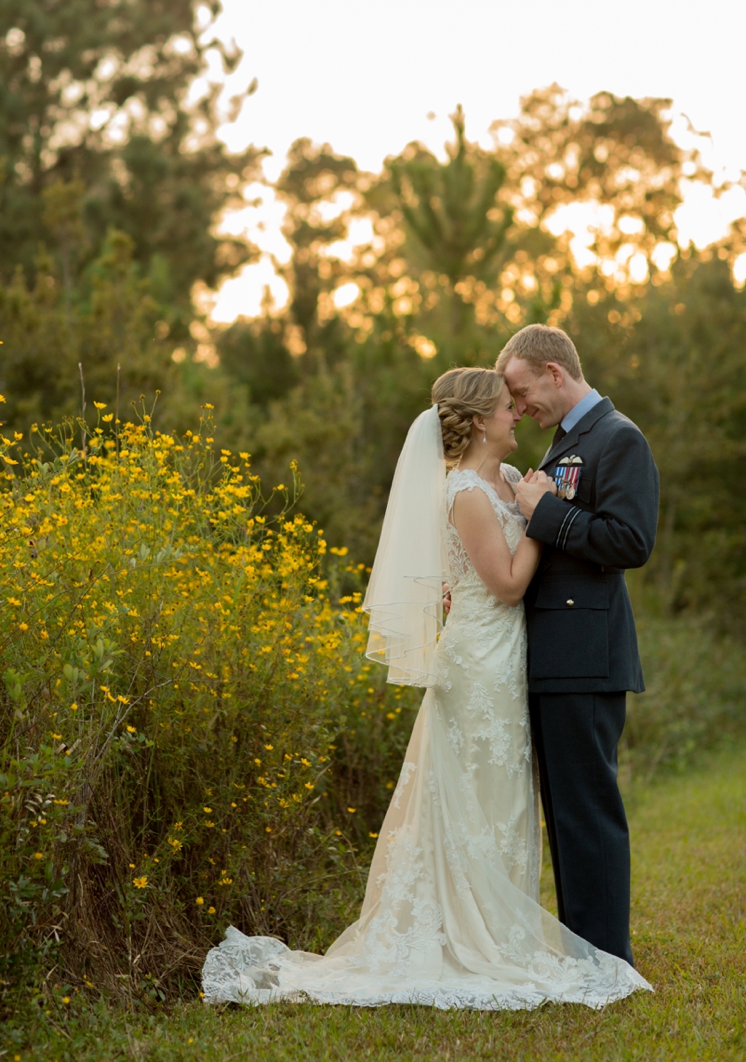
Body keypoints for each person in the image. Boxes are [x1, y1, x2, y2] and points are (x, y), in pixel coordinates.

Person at [201, 366, 651, 1009]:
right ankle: (463, 935)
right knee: (470, 795)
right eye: (505, 406)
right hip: (479, 663)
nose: (516, 413)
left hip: (508, 654)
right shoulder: (467, 489)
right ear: (475, 421)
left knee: (503, 800)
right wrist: (542, 516)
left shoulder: (503, 480)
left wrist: (532, 507)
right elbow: (507, 585)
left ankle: (501, 930)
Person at [497, 324, 660, 967]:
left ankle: (604, 959)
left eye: (520, 391)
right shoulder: (566, 443)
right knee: (565, 813)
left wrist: (545, 513)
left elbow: (631, 541)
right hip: (551, 653)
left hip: (588, 654)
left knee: (588, 810)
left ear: (553, 373)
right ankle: (579, 952)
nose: (517, 408)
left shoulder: (619, 439)